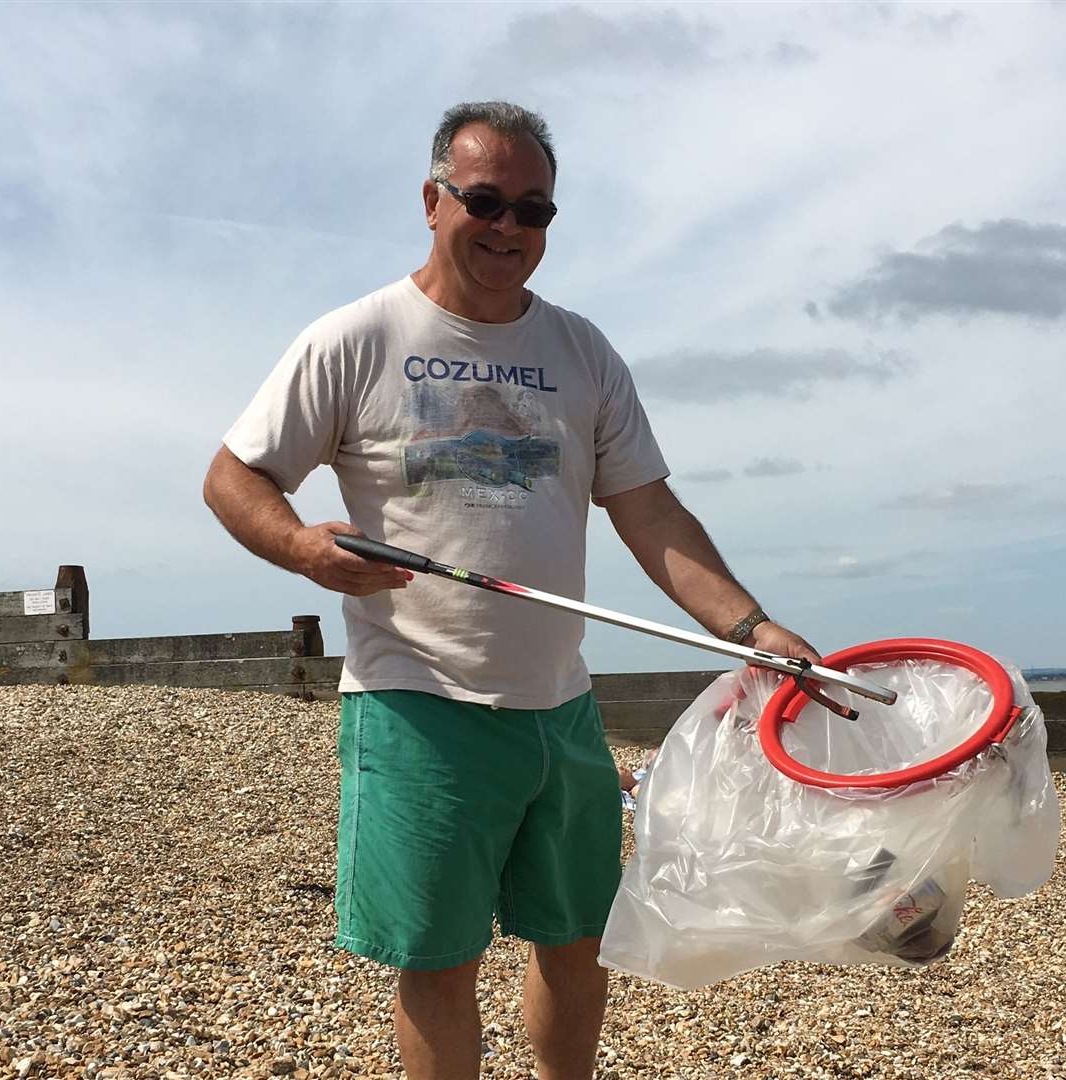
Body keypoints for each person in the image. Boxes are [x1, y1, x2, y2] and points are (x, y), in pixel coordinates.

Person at [203, 101, 821, 1080]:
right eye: (485, 201)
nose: (508, 229)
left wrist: (752, 627)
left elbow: (651, 514)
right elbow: (234, 478)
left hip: (561, 710)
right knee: (439, 964)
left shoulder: (582, 352)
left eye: (534, 211)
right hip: (417, 703)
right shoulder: (357, 337)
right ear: (432, 200)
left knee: (578, 944)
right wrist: (303, 548)